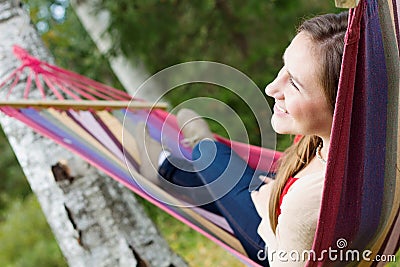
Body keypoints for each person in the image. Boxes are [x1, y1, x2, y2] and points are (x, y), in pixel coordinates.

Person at [136, 11, 348, 266]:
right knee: (224, 181)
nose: (271, 88)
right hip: (287, 215)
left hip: (270, 246)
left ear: (341, 104)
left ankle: (184, 157)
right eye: (284, 67)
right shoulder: (361, 146)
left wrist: (265, 201)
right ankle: (168, 168)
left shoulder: (307, 200)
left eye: (294, 84)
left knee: (216, 162)